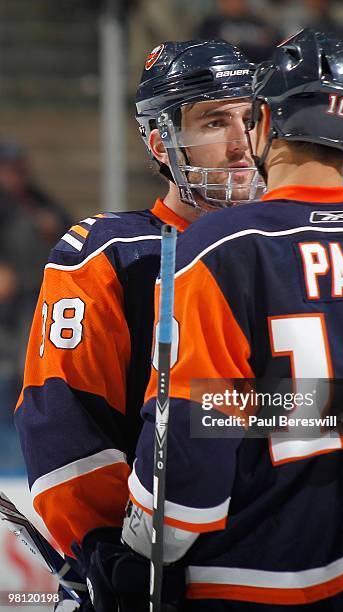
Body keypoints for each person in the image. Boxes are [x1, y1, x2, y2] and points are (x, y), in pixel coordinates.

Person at [118, 29, 343, 611]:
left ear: (263, 122)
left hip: (258, 581)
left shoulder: (219, 245)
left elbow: (184, 480)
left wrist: (134, 547)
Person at [14, 39, 263, 610]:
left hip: (286, 566)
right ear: (161, 140)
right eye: (215, 120)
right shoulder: (110, 253)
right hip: (163, 566)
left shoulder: (290, 247)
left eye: (252, 119)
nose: (242, 144)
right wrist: (108, 547)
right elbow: (63, 421)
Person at [195, 0, 281, 63]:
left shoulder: (258, 24)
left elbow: (273, 48)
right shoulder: (210, 25)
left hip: (256, 71)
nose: (236, 3)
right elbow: (207, 52)